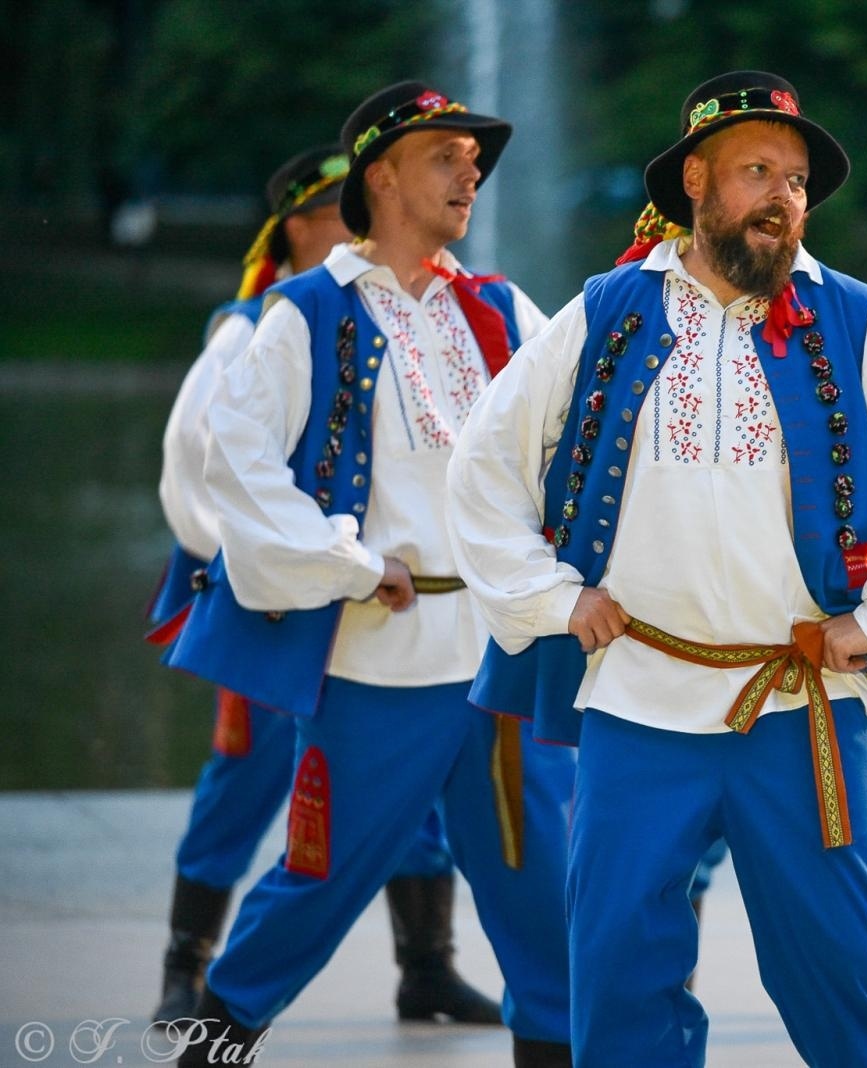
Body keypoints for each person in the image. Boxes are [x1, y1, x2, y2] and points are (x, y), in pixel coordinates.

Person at [447, 70, 867, 1068]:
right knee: (617, 969)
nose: (783, 196)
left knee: (844, 974)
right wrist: (551, 597)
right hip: (638, 705)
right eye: (758, 171)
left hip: (806, 707)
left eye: (795, 180)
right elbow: (483, 462)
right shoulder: (606, 311)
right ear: (695, 180)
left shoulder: (860, 321)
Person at [163, 82, 575, 1068]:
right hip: (380, 667)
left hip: (501, 663)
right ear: (380, 175)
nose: (470, 171)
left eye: (476, 160)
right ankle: (208, 1050)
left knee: (545, 900)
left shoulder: (502, 308)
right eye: (446, 156)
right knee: (315, 885)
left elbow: (586, 434)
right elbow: (235, 465)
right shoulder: (304, 314)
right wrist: (345, 563)